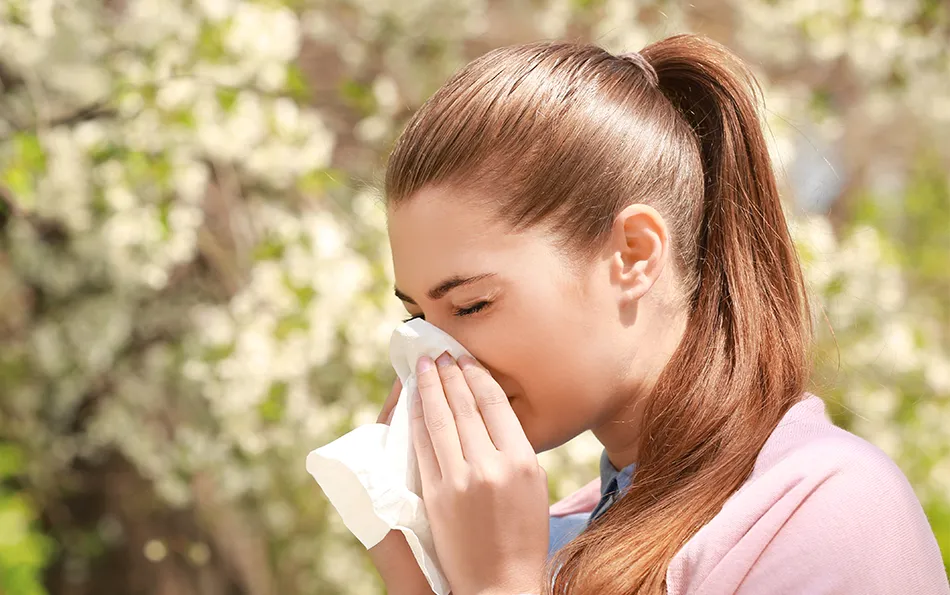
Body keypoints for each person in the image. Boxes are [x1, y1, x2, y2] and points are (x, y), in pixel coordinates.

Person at [365, 33, 949, 594]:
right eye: (418, 319)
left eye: (471, 305)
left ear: (633, 255)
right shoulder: (547, 538)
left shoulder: (819, 510)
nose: (433, 360)